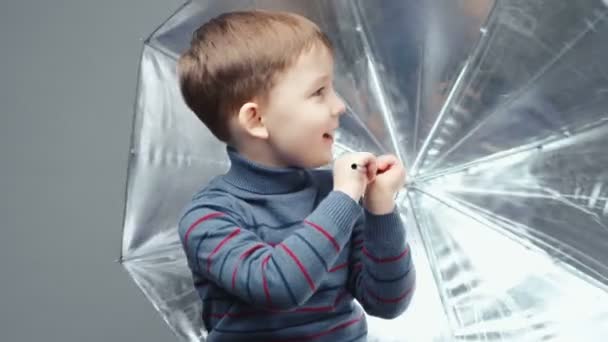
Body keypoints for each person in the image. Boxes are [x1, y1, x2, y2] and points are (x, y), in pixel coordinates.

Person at [176, 10, 415, 341]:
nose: (340, 106)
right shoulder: (209, 217)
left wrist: (380, 209)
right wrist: (344, 197)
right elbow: (279, 286)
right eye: (319, 92)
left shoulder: (333, 194)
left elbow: (387, 302)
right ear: (257, 120)